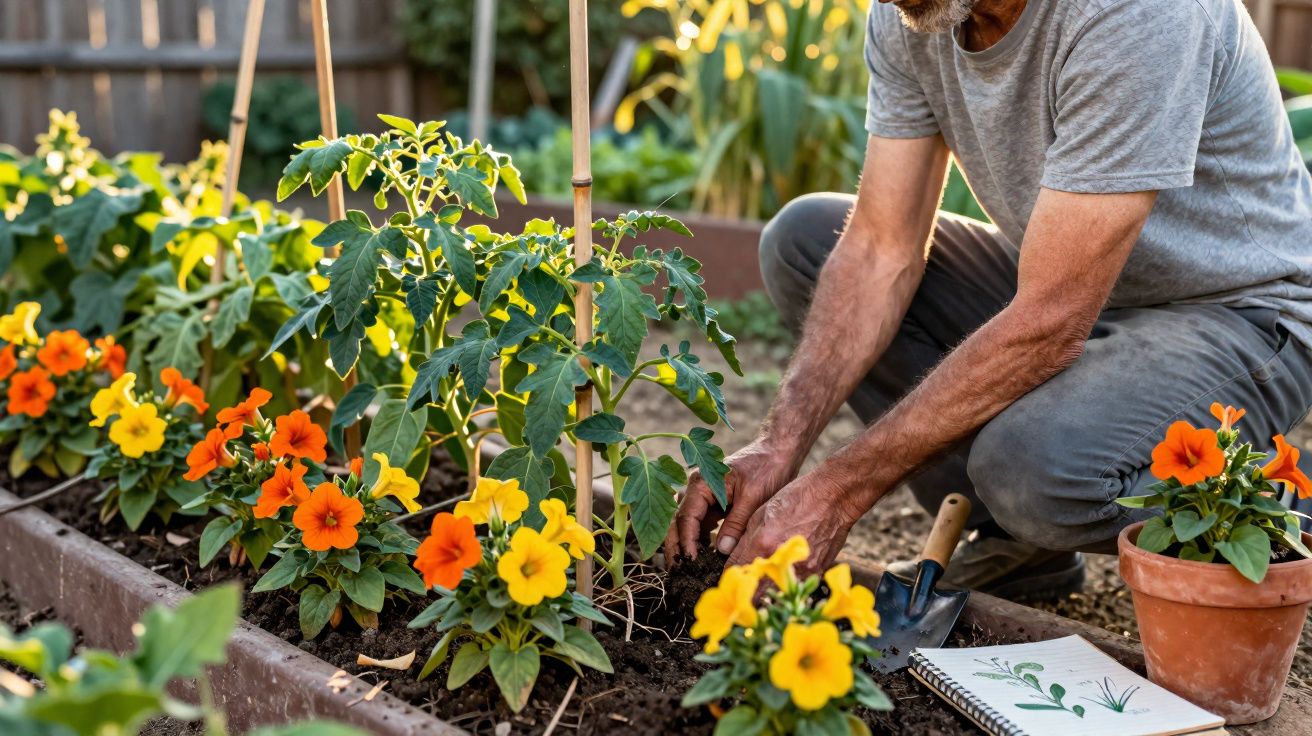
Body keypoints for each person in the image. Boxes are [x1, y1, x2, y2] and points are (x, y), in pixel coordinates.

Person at [664, 0, 1312, 600]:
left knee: (1031, 471)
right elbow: (880, 247)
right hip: (1078, 285)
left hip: (1241, 314)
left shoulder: (1135, 12)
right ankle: (1018, 546)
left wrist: (835, 493)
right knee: (806, 242)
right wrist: (778, 448)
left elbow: (1051, 322)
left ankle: (1276, 497)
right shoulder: (913, 11)